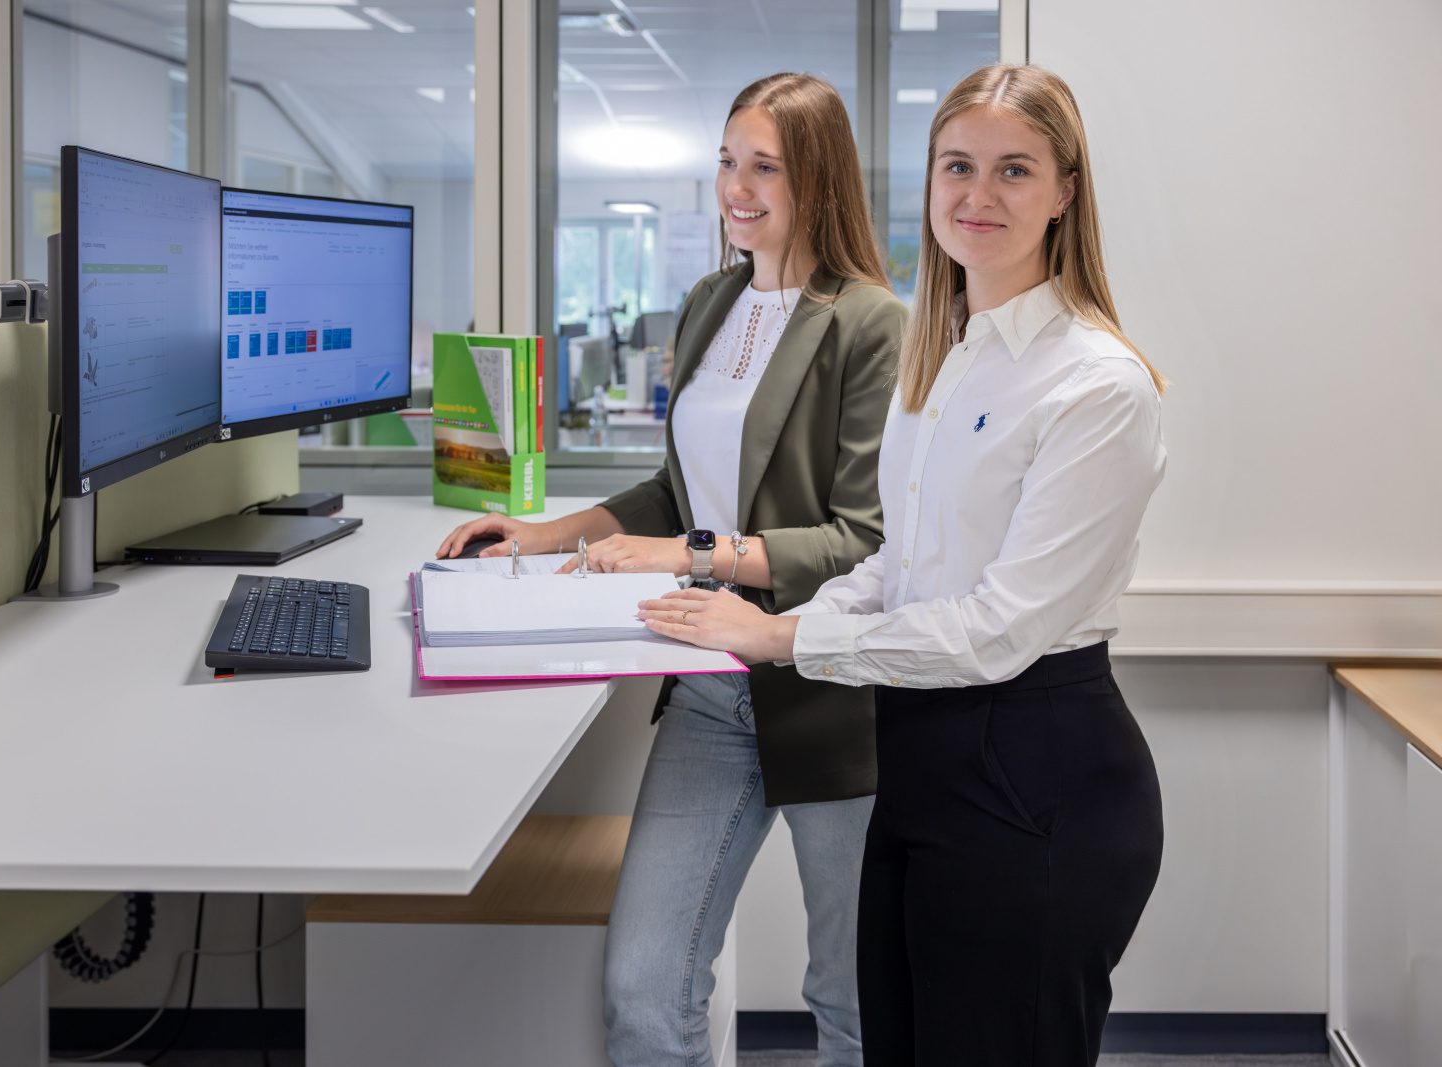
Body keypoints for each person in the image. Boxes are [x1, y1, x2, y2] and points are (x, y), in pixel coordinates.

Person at [640, 62, 1168, 1066]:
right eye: (955, 166)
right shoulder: (947, 356)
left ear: (1064, 192)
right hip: (919, 757)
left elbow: (996, 628)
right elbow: (895, 560)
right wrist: (802, 615)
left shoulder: (1097, 384)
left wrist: (779, 632)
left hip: (1035, 768)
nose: (977, 196)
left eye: (1014, 170)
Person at [437, 73, 907, 1067]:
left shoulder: (870, 323)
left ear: (816, 177)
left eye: (764, 166)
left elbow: (862, 538)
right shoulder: (710, 299)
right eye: (727, 161)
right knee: (644, 991)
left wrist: (691, 554)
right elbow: (676, 487)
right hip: (709, 689)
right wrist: (541, 532)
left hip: (832, 690)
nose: (736, 187)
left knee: (853, 999)